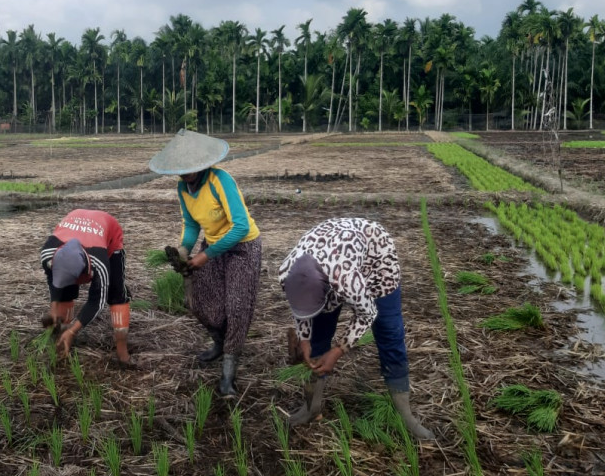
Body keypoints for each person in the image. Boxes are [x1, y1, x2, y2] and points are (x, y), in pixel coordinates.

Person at [279, 217, 434, 439]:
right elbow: (301, 309)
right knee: (318, 335)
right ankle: (311, 408)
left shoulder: (344, 279)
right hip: (330, 253)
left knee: (389, 330)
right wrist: (304, 339)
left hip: (374, 255)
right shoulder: (286, 272)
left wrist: (338, 351)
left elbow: (367, 313)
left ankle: (405, 415)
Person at [148, 129, 262, 397]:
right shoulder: (183, 188)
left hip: (242, 248)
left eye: (190, 168)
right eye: (181, 169)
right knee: (198, 301)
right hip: (212, 247)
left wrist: (203, 257)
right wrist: (185, 249)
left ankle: (228, 375)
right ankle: (220, 342)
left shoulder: (219, 180)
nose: (186, 173)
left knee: (236, 307)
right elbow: (190, 224)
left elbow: (240, 226)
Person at [40, 209, 131, 365]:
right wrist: (54, 308)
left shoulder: (99, 262)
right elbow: (53, 282)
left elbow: (97, 301)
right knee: (65, 292)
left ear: (85, 273)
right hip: (75, 221)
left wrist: (73, 331)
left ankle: (122, 350)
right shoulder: (48, 254)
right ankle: (62, 336)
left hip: (108, 234)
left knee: (116, 293)